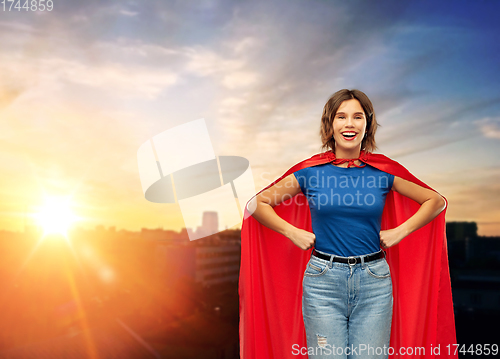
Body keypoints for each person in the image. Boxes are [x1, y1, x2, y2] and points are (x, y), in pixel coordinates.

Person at [239, 89, 457, 358]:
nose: (349, 124)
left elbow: (435, 201)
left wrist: (401, 231)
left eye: (357, 117)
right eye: (341, 117)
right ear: (330, 125)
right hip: (322, 283)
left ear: (368, 124)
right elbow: (255, 204)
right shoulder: (310, 172)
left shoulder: (383, 171)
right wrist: (292, 231)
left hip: (374, 282)